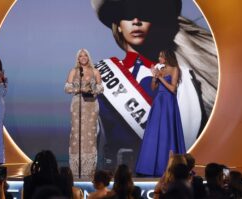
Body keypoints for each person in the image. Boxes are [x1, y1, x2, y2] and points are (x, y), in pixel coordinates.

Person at [91, 0, 217, 170]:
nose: (136, 21)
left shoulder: (183, 77)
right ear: (118, 26)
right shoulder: (101, 74)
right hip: (117, 179)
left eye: (144, 14)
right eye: (127, 15)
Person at [135, 50, 186, 177]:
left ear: (167, 57)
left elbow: (173, 89)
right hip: (158, 103)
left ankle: (168, 167)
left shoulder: (174, 69)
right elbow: (153, 88)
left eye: (161, 56)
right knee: (155, 133)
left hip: (168, 103)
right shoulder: (160, 69)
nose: (159, 58)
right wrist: (154, 76)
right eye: (159, 56)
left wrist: (160, 77)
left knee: (167, 133)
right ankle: (150, 167)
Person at [64, 49, 104, 178]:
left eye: (85, 55)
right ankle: (76, 169)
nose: (83, 57)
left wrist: (93, 90)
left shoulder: (95, 71)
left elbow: (101, 87)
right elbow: (67, 87)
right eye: (80, 56)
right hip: (77, 104)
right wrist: (79, 89)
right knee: (77, 134)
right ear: (78, 58)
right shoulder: (74, 71)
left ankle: (89, 169)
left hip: (91, 105)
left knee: (90, 135)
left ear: (88, 57)